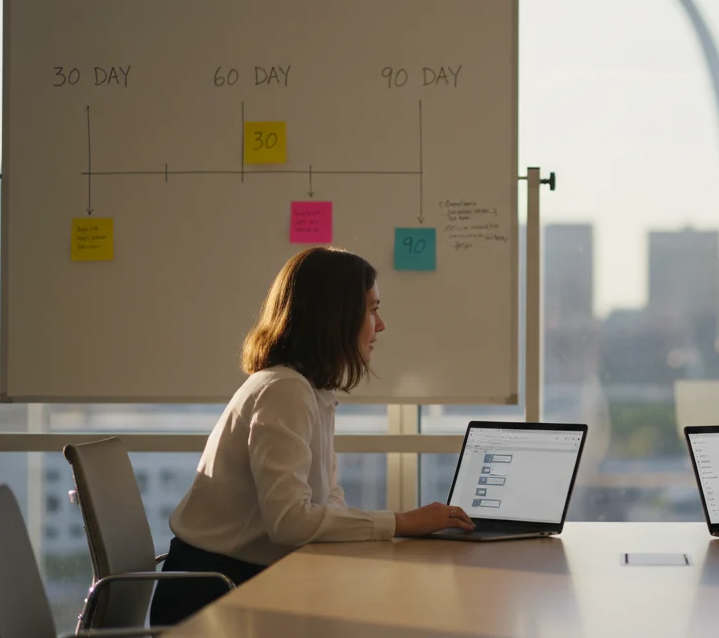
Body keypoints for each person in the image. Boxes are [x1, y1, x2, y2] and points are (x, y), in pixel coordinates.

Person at [150, 247, 476, 625]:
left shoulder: (311, 391)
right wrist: (402, 523)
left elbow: (325, 502)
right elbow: (290, 522)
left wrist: (386, 533)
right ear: (335, 317)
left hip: (244, 581)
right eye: (372, 310)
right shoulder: (283, 391)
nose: (381, 325)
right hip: (214, 597)